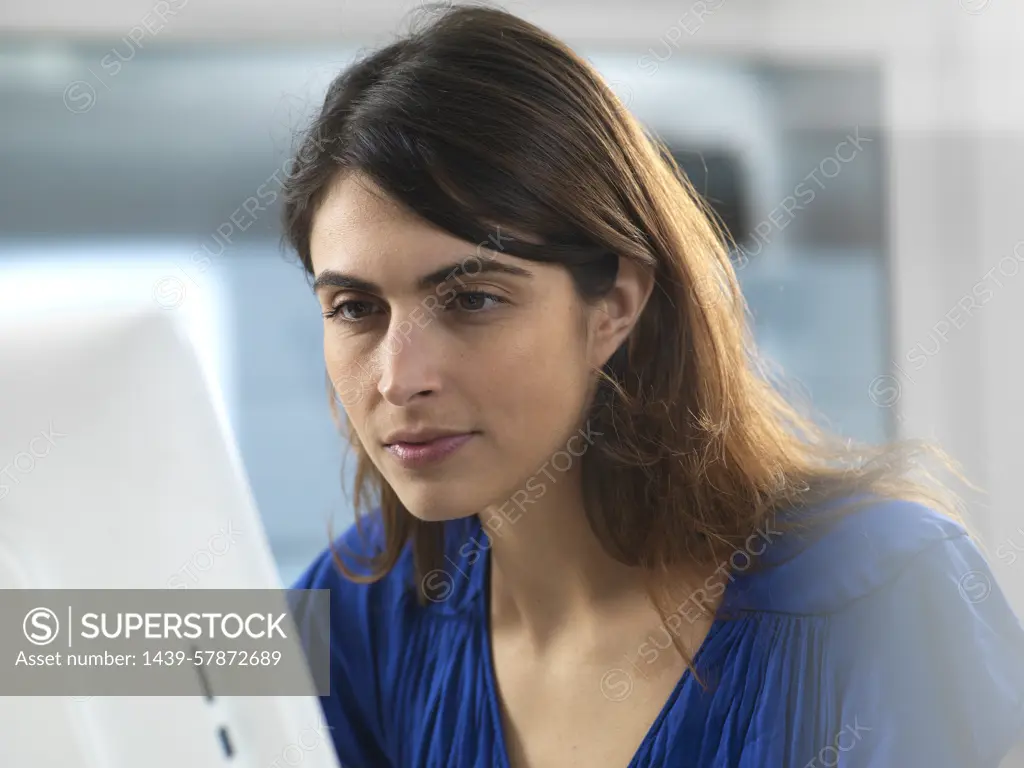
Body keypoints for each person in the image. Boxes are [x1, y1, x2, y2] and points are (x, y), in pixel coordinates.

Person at [281, 6, 1024, 766]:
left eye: (472, 299)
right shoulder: (360, 607)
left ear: (614, 306)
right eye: (356, 309)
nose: (400, 379)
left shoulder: (885, 591)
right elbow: (163, 659)